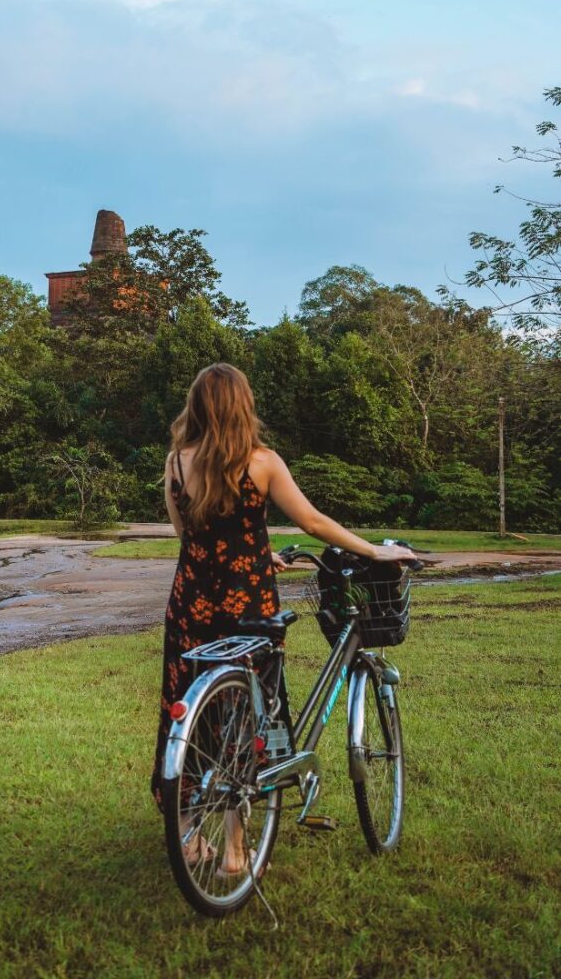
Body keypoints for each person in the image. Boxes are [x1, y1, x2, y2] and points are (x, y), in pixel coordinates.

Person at [150, 362, 415, 875]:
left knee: (190, 705)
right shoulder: (262, 463)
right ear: (242, 406)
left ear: (197, 407)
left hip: (192, 603)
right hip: (247, 603)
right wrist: (375, 552)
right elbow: (312, 522)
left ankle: (187, 839)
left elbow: (191, 535)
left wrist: (251, 549)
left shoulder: (175, 465)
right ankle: (233, 852)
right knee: (250, 715)